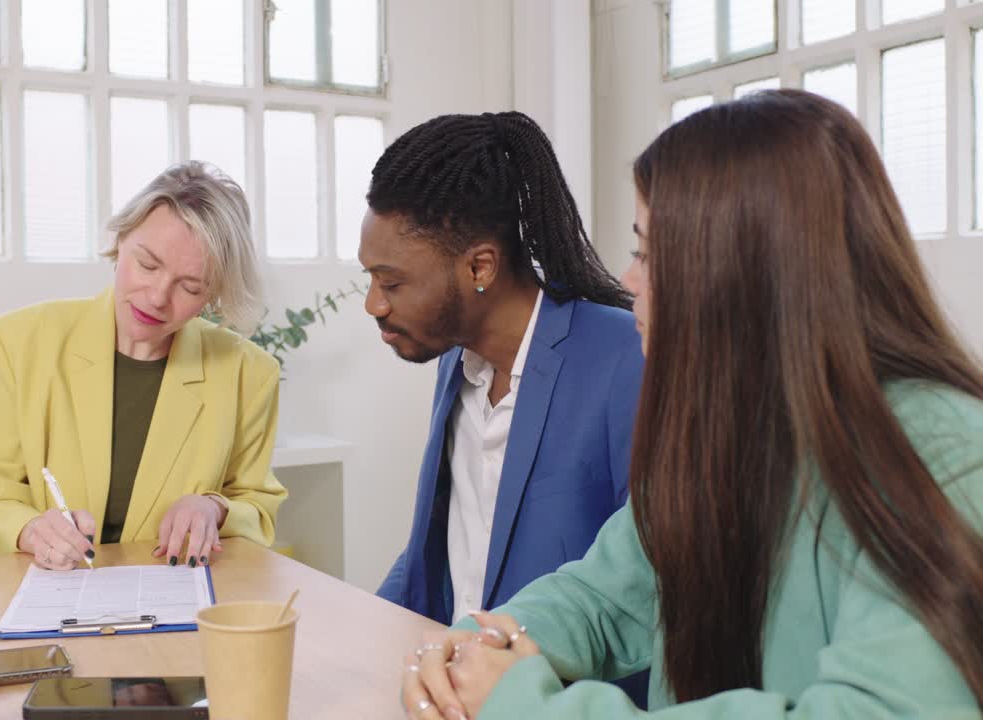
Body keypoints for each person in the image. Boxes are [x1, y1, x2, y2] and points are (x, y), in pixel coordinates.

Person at [400, 89, 983, 719]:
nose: (628, 280)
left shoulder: (940, 448)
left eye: (648, 253)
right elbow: (602, 597)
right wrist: (481, 646)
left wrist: (527, 705)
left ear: (739, 271)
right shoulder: (732, 429)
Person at [361, 112, 644, 641]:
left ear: (480, 268)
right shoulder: (455, 360)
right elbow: (446, 548)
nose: (373, 303)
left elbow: (646, 586)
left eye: (392, 282)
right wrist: (358, 636)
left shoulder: (628, 356)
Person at [0, 161, 286, 571]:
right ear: (121, 240)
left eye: (190, 287)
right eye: (147, 265)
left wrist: (214, 509)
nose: (156, 297)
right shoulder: (21, 340)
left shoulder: (250, 374)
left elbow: (257, 507)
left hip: (178, 599)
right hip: (54, 591)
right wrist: (29, 529)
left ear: (215, 294)